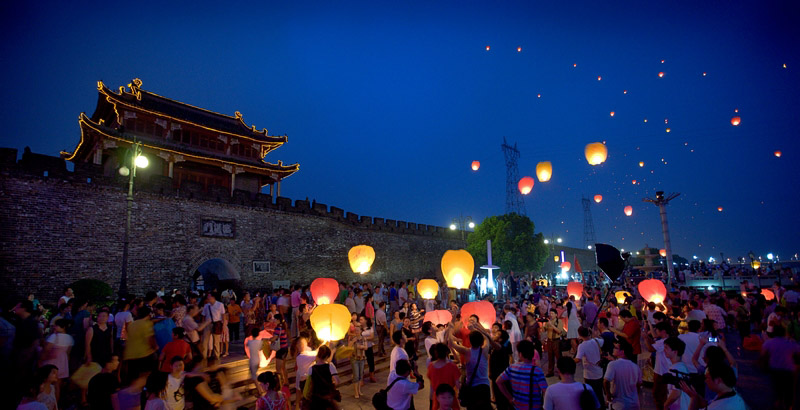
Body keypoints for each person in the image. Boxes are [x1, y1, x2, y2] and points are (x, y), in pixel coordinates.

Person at [447, 326, 491, 410]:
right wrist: (475, 327)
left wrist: (450, 329)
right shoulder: (485, 350)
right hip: (484, 385)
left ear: (470, 341)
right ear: (481, 341)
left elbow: (451, 344)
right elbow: (487, 337)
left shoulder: (467, 352)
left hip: (472, 386)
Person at [496, 339, 548, 410]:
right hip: (534, 407)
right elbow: (545, 391)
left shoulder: (512, 368)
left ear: (520, 354)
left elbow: (498, 382)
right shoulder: (537, 371)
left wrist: (510, 398)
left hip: (517, 407)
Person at [760, 325, 800, 408]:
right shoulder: (791, 343)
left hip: (775, 370)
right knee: (789, 389)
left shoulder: (768, 343)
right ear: (784, 333)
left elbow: (763, 356)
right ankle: (788, 406)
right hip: (789, 371)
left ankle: (778, 401)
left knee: (777, 388)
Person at [678, 364, 746, 410]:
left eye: (707, 378)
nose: (705, 381)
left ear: (718, 380)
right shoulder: (731, 394)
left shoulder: (723, 406)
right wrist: (696, 395)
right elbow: (708, 405)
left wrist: (693, 398)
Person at [603, 338, 642, 410]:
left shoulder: (612, 365)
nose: (613, 349)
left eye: (616, 348)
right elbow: (638, 385)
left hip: (620, 405)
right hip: (634, 404)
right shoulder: (636, 367)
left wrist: (608, 395)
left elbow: (606, 381)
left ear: (623, 352)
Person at [574, 326, 605, 409]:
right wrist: (594, 334)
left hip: (589, 374)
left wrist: (569, 361)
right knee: (599, 393)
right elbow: (602, 340)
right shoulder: (596, 341)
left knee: (591, 394)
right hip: (599, 371)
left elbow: (578, 359)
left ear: (580, 335)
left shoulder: (582, 346)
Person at [427, 343, 461, 410]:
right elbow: (458, 385)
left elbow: (432, 384)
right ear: (447, 352)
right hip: (449, 397)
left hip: (437, 398)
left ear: (436, 353)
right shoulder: (452, 366)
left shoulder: (431, 366)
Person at [663, 337, 690, 410]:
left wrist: (666, 405)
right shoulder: (681, 366)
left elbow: (676, 392)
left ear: (675, 351)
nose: (664, 350)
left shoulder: (675, 369)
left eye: (666, 348)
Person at [201, 293, 225, 359]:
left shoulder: (220, 305)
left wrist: (224, 325)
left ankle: (217, 356)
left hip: (217, 323)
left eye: (209, 296)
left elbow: (223, 315)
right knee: (205, 341)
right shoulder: (206, 306)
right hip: (208, 324)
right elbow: (203, 315)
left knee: (216, 342)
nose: (208, 298)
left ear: (213, 297)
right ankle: (204, 357)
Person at [544, 308, 563, 377]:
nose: (551, 315)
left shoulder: (559, 321)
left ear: (556, 315)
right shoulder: (548, 322)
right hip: (549, 341)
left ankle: (561, 373)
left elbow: (559, 331)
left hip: (556, 341)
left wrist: (551, 325)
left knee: (559, 357)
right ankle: (550, 371)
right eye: (550, 313)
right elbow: (544, 330)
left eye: (552, 313)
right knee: (550, 357)